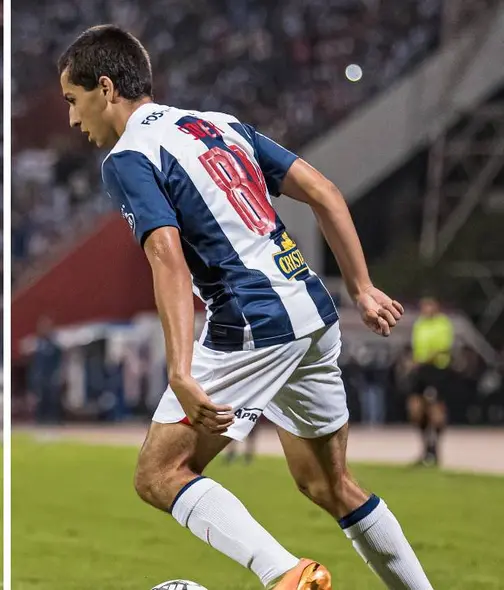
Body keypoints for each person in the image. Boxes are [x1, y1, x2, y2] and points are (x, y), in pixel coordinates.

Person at [57, 24, 432, 590]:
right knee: (330, 485)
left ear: (105, 88)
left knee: (159, 474)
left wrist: (180, 370)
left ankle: (284, 575)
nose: (71, 118)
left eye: (72, 100)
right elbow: (326, 191)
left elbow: (167, 259)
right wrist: (361, 286)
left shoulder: (128, 156)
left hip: (251, 320)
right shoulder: (220, 125)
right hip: (312, 310)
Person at [409, 297, 453, 466]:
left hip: (437, 370)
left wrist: (423, 358)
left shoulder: (443, 323)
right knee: (416, 410)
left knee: (436, 411)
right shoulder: (419, 323)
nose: (425, 308)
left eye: (429, 305)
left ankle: (435, 449)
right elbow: (416, 346)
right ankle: (426, 447)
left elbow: (443, 346)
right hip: (420, 371)